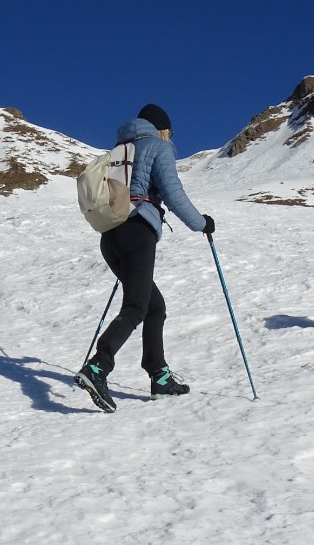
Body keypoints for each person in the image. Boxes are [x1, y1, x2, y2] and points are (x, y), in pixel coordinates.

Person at [75, 104, 215, 413]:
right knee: (137, 306)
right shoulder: (157, 147)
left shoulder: (119, 151)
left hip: (110, 235)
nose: (171, 137)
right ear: (162, 129)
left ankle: (159, 376)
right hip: (137, 231)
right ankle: (98, 367)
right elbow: (173, 193)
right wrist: (202, 223)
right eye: (171, 131)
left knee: (154, 306)